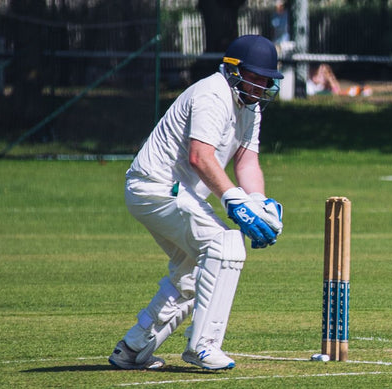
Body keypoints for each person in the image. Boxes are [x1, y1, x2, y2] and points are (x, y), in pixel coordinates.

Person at [108, 34, 285, 371]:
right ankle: (203, 346)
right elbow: (200, 157)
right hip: (156, 186)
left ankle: (132, 349)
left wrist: (259, 202)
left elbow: (247, 162)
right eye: (256, 77)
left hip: (174, 192)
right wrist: (236, 203)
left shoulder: (250, 105)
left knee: (192, 275)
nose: (262, 85)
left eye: (267, 79)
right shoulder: (212, 94)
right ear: (234, 71)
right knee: (226, 245)